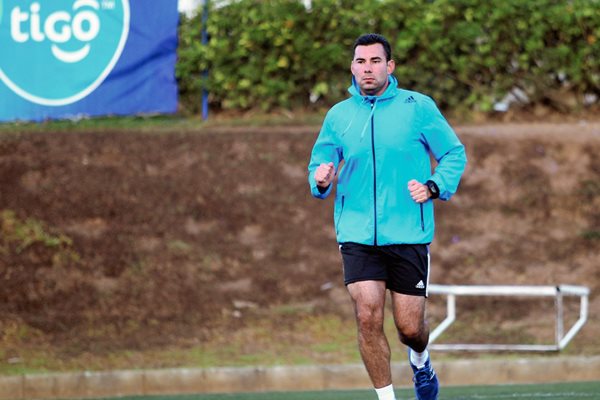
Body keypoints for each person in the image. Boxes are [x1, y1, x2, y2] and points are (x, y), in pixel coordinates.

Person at [307, 33, 467, 400]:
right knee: (367, 315)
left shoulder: (418, 107)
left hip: (409, 232)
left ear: (390, 66)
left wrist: (433, 186)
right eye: (361, 62)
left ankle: (421, 361)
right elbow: (320, 163)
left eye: (375, 61)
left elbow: (454, 154)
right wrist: (320, 178)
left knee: (409, 327)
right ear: (352, 67)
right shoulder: (338, 115)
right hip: (357, 235)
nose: (368, 68)